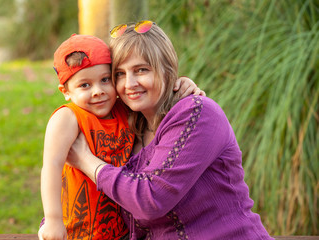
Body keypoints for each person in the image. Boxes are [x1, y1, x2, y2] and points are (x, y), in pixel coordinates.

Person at [66, 21, 273, 239]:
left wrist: (85, 160)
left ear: (167, 70)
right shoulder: (127, 128)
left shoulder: (197, 113)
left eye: (141, 70)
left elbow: (150, 200)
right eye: (119, 74)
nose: (130, 83)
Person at [38, 33, 203, 240]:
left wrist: (180, 83)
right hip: (79, 231)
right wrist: (53, 219)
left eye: (105, 80)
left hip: (121, 232)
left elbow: (149, 95)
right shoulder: (68, 118)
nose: (98, 91)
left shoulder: (122, 109)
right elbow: (51, 167)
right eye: (85, 85)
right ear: (65, 91)